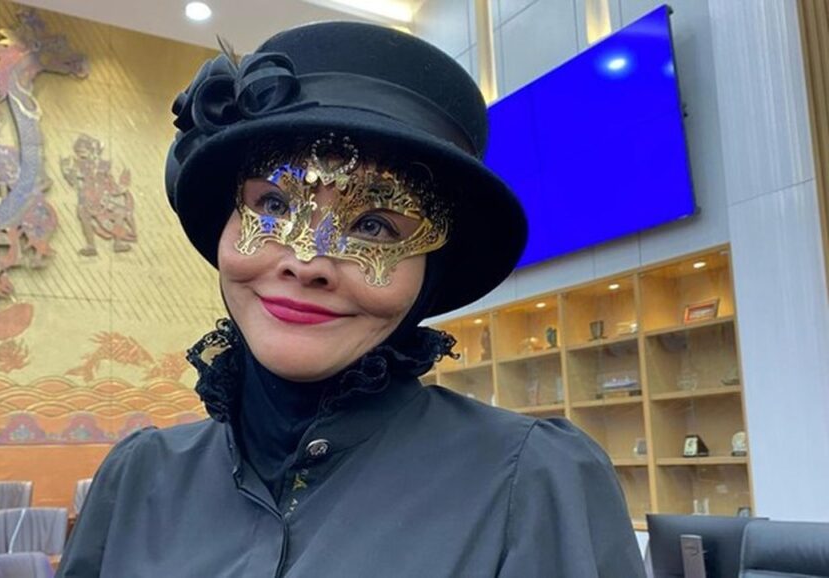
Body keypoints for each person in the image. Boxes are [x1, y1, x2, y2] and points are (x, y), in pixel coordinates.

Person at [58, 21, 646, 577]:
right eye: (273, 205)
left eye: (374, 226)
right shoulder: (136, 481)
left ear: (431, 271)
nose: (306, 261)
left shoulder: (535, 483)